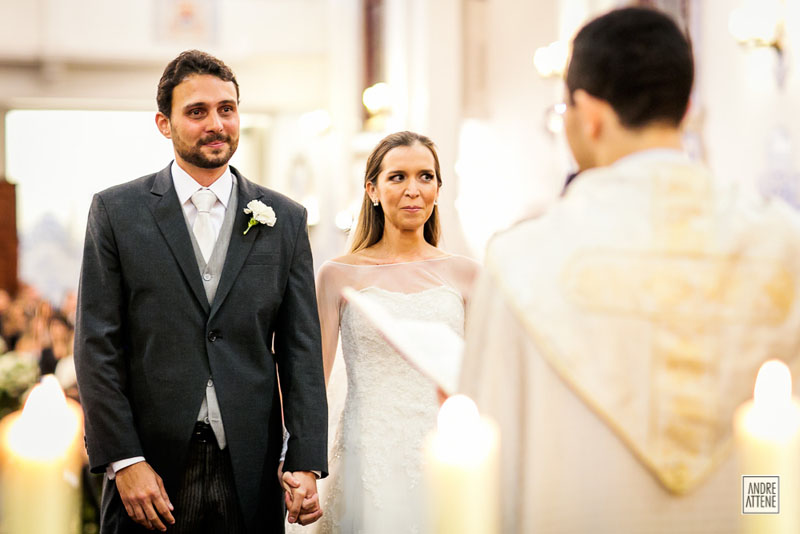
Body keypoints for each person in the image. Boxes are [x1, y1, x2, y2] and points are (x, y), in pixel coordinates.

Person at [459, 7, 800, 533]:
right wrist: (754, 507)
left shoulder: (523, 259)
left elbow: (487, 469)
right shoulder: (782, 244)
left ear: (589, 114)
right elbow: (779, 457)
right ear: (686, 107)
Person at [74, 49, 328, 534]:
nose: (216, 123)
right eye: (197, 111)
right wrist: (124, 460)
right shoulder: (116, 212)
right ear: (164, 124)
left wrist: (305, 459)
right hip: (150, 471)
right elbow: (95, 347)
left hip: (250, 471)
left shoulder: (285, 219)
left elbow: (301, 351)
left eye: (226, 108)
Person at [310, 131, 479, 533]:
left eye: (425, 177)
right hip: (367, 447)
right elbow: (313, 379)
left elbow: (485, 375)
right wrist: (298, 460)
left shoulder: (468, 275)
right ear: (372, 189)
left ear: (438, 188)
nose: (413, 190)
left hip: (443, 446)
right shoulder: (337, 275)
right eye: (397, 177)